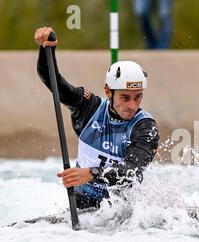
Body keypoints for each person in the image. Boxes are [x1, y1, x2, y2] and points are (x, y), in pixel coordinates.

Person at [34, 27, 160, 211]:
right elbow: (52, 79)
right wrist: (48, 47)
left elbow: (133, 170)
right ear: (108, 91)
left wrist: (91, 173)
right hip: (81, 206)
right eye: (125, 97)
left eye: (138, 97)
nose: (133, 105)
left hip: (123, 214)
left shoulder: (145, 127)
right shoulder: (88, 108)